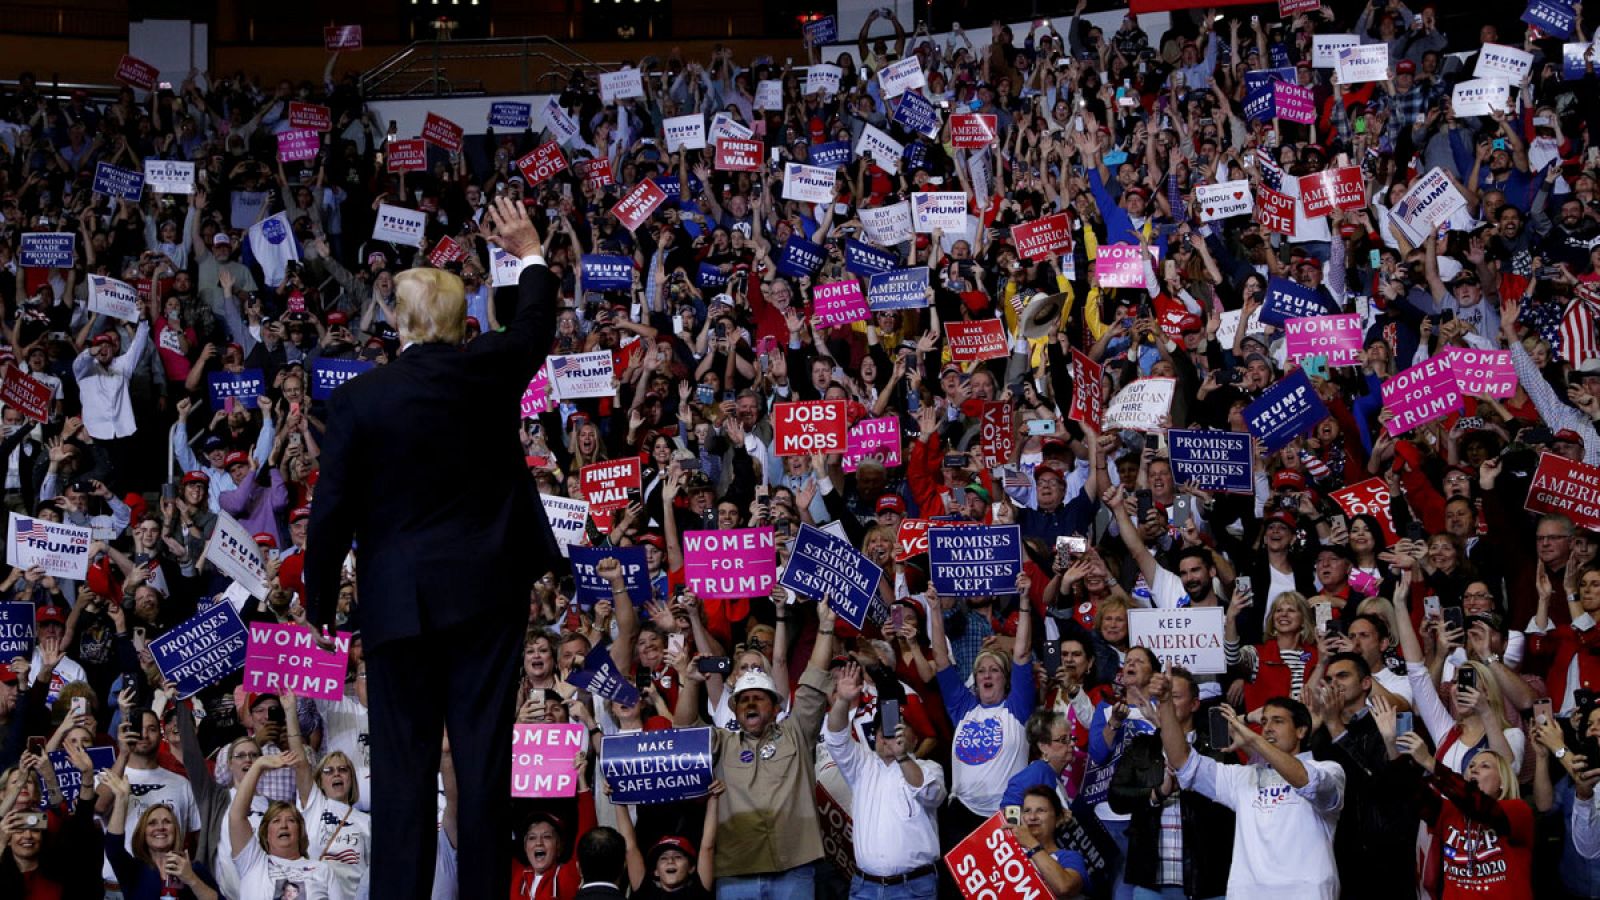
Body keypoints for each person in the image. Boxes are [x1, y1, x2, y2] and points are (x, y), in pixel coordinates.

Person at [302, 195, 558, 899]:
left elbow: (329, 512)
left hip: (399, 608)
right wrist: (527, 251)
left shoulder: (360, 399)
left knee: (407, 770)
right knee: (481, 763)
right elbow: (534, 324)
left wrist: (319, 600)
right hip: (487, 601)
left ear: (398, 320)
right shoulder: (489, 369)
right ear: (457, 320)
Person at [1156, 694, 1345, 898]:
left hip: (1305, 892)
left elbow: (1306, 781)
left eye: (1278, 721)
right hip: (1249, 892)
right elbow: (1183, 762)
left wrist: (1253, 740)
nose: (1268, 728)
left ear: (1301, 731)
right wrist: (1166, 703)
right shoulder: (1243, 777)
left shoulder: (1329, 770)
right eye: (1264, 722)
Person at [824, 661, 946, 900]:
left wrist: (902, 757)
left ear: (914, 737)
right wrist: (842, 701)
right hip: (865, 887)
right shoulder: (862, 764)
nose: (886, 735)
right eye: (881, 730)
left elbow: (931, 794)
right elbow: (836, 737)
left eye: (897, 729)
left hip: (914, 888)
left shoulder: (929, 768)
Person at [227, 751, 344, 900]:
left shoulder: (323, 870)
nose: (283, 825)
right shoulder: (253, 862)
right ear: (265, 834)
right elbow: (236, 817)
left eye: (290, 820)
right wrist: (258, 765)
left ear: (300, 831)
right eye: (276, 821)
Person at [102, 769, 222, 900]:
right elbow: (113, 848)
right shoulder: (134, 870)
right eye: (152, 823)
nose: (160, 827)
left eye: (167, 822)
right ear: (143, 833)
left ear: (176, 830)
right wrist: (121, 799)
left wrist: (191, 879)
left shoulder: (194, 870)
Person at [1009, 786, 1089, 899]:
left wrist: (1031, 844)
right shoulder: (1008, 855)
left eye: (1041, 810)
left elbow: (1064, 887)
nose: (1032, 817)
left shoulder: (1070, 857)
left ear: (1058, 819)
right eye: (1027, 811)